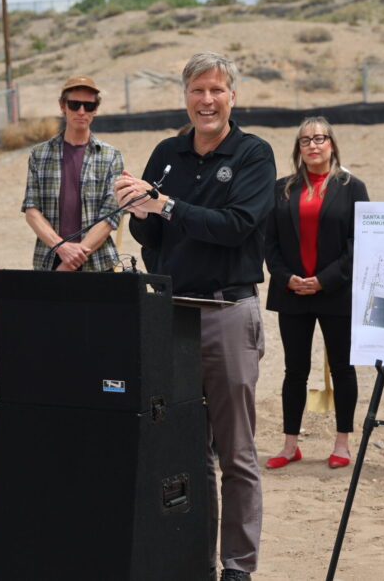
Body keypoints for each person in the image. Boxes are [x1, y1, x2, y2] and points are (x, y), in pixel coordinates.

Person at [114, 52, 275, 581]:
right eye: (197, 90)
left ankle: (238, 567)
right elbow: (152, 237)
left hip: (227, 312)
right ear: (185, 96)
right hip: (172, 315)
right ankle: (196, 561)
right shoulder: (167, 153)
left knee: (236, 453)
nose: (207, 100)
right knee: (187, 451)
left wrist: (166, 206)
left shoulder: (253, 154)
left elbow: (236, 225)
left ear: (233, 96)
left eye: (216, 90)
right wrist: (138, 208)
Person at [263, 117, 369, 471]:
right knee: (294, 371)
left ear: (332, 144)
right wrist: (286, 278)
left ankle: (342, 443)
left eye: (320, 138)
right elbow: (269, 242)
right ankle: (290, 445)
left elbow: (359, 242)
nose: (313, 145)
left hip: (336, 291)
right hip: (292, 291)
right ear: (298, 148)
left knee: (342, 368)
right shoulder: (282, 188)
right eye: (305, 140)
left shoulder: (352, 187)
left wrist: (324, 280)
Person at [21, 75, 124, 271]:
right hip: (50, 261)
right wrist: (62, 248)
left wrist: (71, 260)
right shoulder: (39, 155)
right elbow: (31, 210)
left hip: (98, 264)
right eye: (75, 104)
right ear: (63, 106)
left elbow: (110, 215)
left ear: (96, 109)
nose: (81, 111)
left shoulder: (111, 156)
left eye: (89, 106)